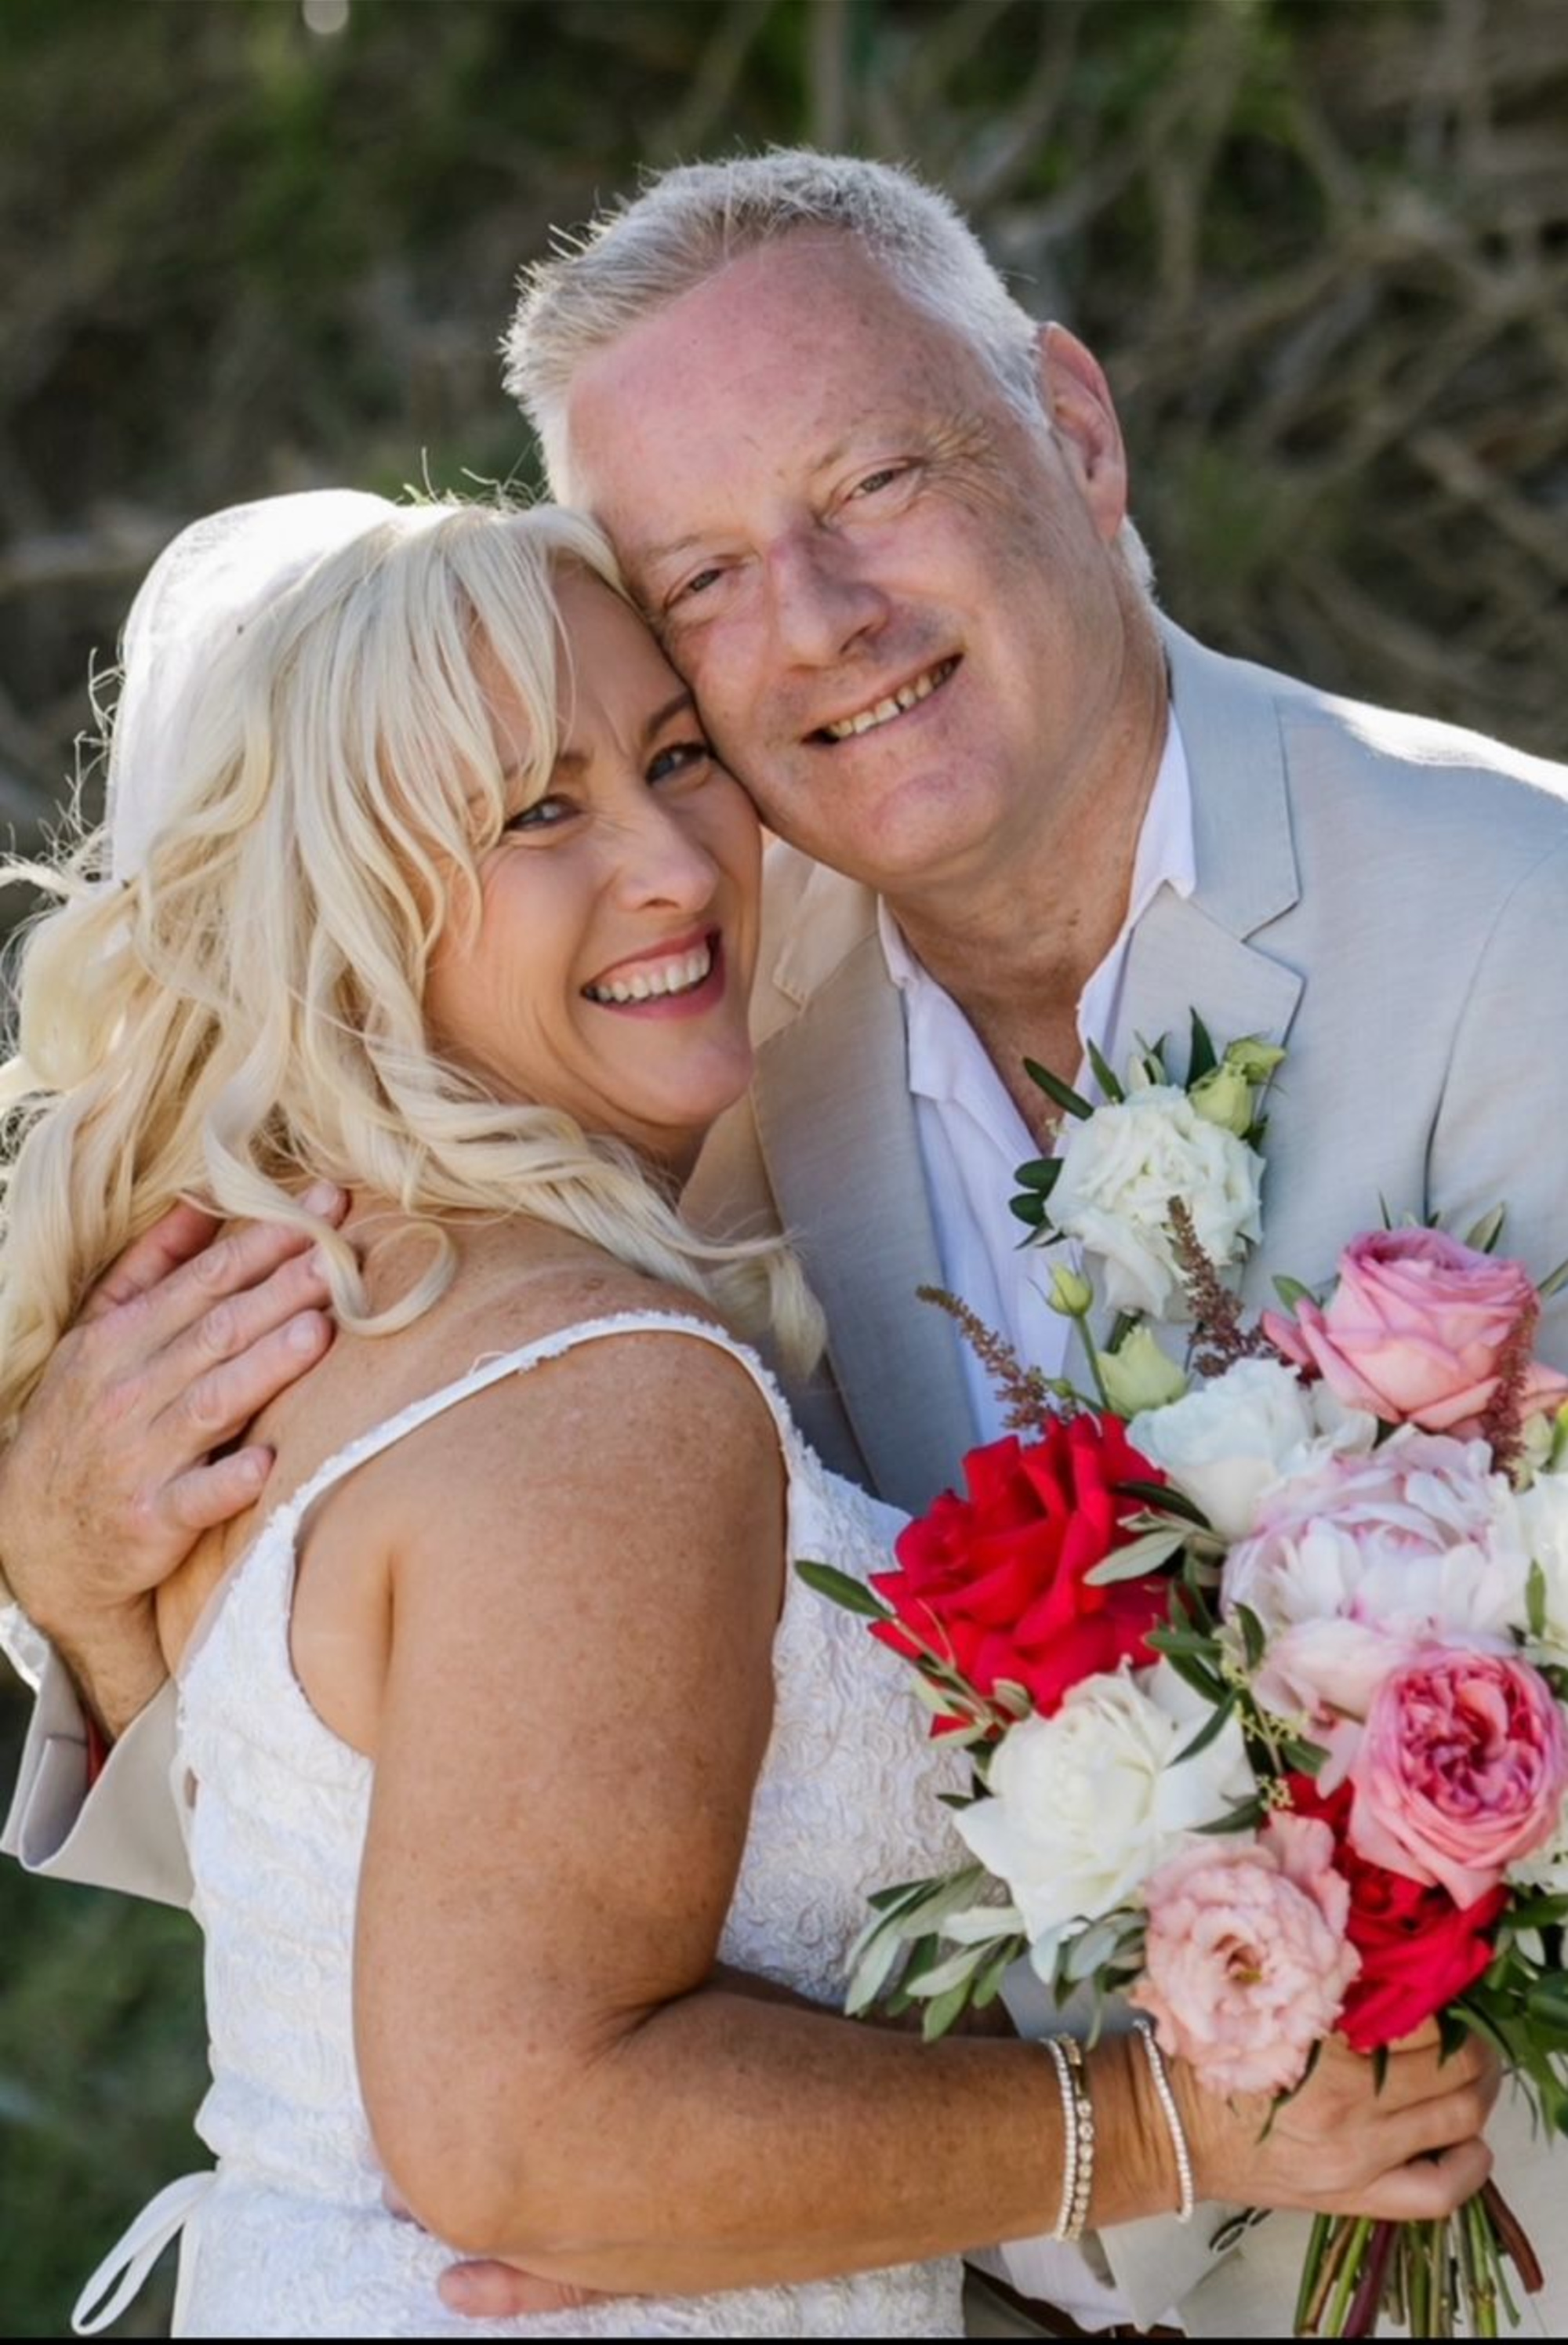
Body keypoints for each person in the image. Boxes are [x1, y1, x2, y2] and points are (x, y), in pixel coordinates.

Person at [5, 151, 1568, 2334]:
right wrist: (79, 1593)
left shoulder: (1523, 936)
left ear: (1080, 432)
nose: (820, 617)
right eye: (707, 576)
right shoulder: (690, 1020)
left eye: (877, 478)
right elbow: (405, 1821)